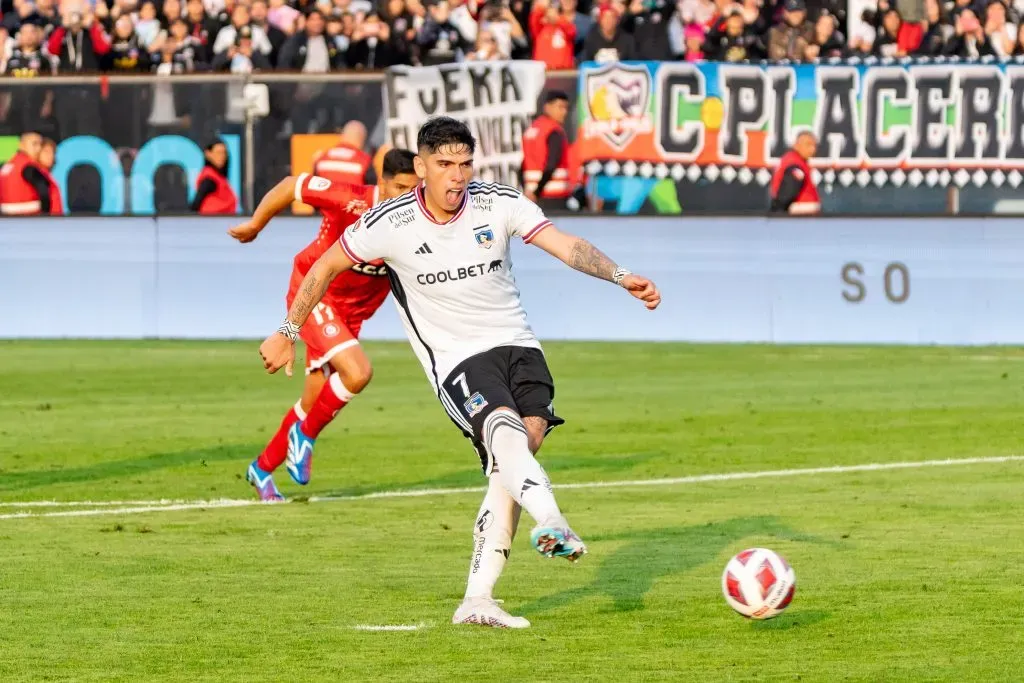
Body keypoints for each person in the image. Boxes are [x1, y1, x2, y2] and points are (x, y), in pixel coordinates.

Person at [258, 117, 661, 628]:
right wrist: (288, 330)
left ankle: (478, 599)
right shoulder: (390, 222)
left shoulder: (499, 202)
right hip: (456, 358)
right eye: (445, 165)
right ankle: (554, 521)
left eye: (465, 164)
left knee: (513, 460)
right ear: (422, 167)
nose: (457, 176)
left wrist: (621, 276)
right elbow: (324, 267)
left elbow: (565, 245)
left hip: (519, 345)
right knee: (506, 437)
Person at [228, 149, 420, 501]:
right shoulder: (351, 200)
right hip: (315, 296)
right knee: (358, 372)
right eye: (402, 188)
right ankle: (305, 437)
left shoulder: (417, 219)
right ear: (382, 182)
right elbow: (291, 185)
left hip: (352, 315)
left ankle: (262, 468)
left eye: (415, 188)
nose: (409, 197)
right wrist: (256, 224)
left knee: (312, 403)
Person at [521, 90, 572, 212]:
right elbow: (551, 165)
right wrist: (537, 192)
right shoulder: (554, 131)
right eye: (560, 107)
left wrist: (528, 191)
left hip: (532, 197)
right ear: (547, 107)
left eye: (566, 108)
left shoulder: (532, 130)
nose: (564, 112)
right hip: (553, 197)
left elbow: (522, 165)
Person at [0, 131, 51, 215]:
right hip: (30, 219)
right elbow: (43, 191)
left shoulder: (6, 166)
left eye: (40, 144)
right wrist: (45, 215)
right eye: (34, 144)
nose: (38, 149)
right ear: (21, 145)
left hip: (6, 220)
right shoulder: (28, 167)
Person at [769, 131, 820, 215]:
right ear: (796, 145)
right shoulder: (795, 163)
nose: (812, 149)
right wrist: (777, 212)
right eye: (808, 145)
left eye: (814, 145)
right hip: (799, 216)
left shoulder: (794, 160)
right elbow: (788, 191)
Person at [312, 121, 373, 187]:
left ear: (343, 136)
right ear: (361, 139)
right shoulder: (364, 161)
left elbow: (313, 188)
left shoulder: (321, 158)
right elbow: (372, 191)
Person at [191, 140, 239, 215]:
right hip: (212, 222)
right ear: (208, 154)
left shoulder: (219, 177)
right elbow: (195, 205)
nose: (222, 156)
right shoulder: (209, 178)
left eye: (224, 153)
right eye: (218, 153)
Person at [38, 137, 63, 216]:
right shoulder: (36, 175)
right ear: (37, 153)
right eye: (46, 152)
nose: (51, 156)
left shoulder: (47, 175)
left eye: (53, 152)